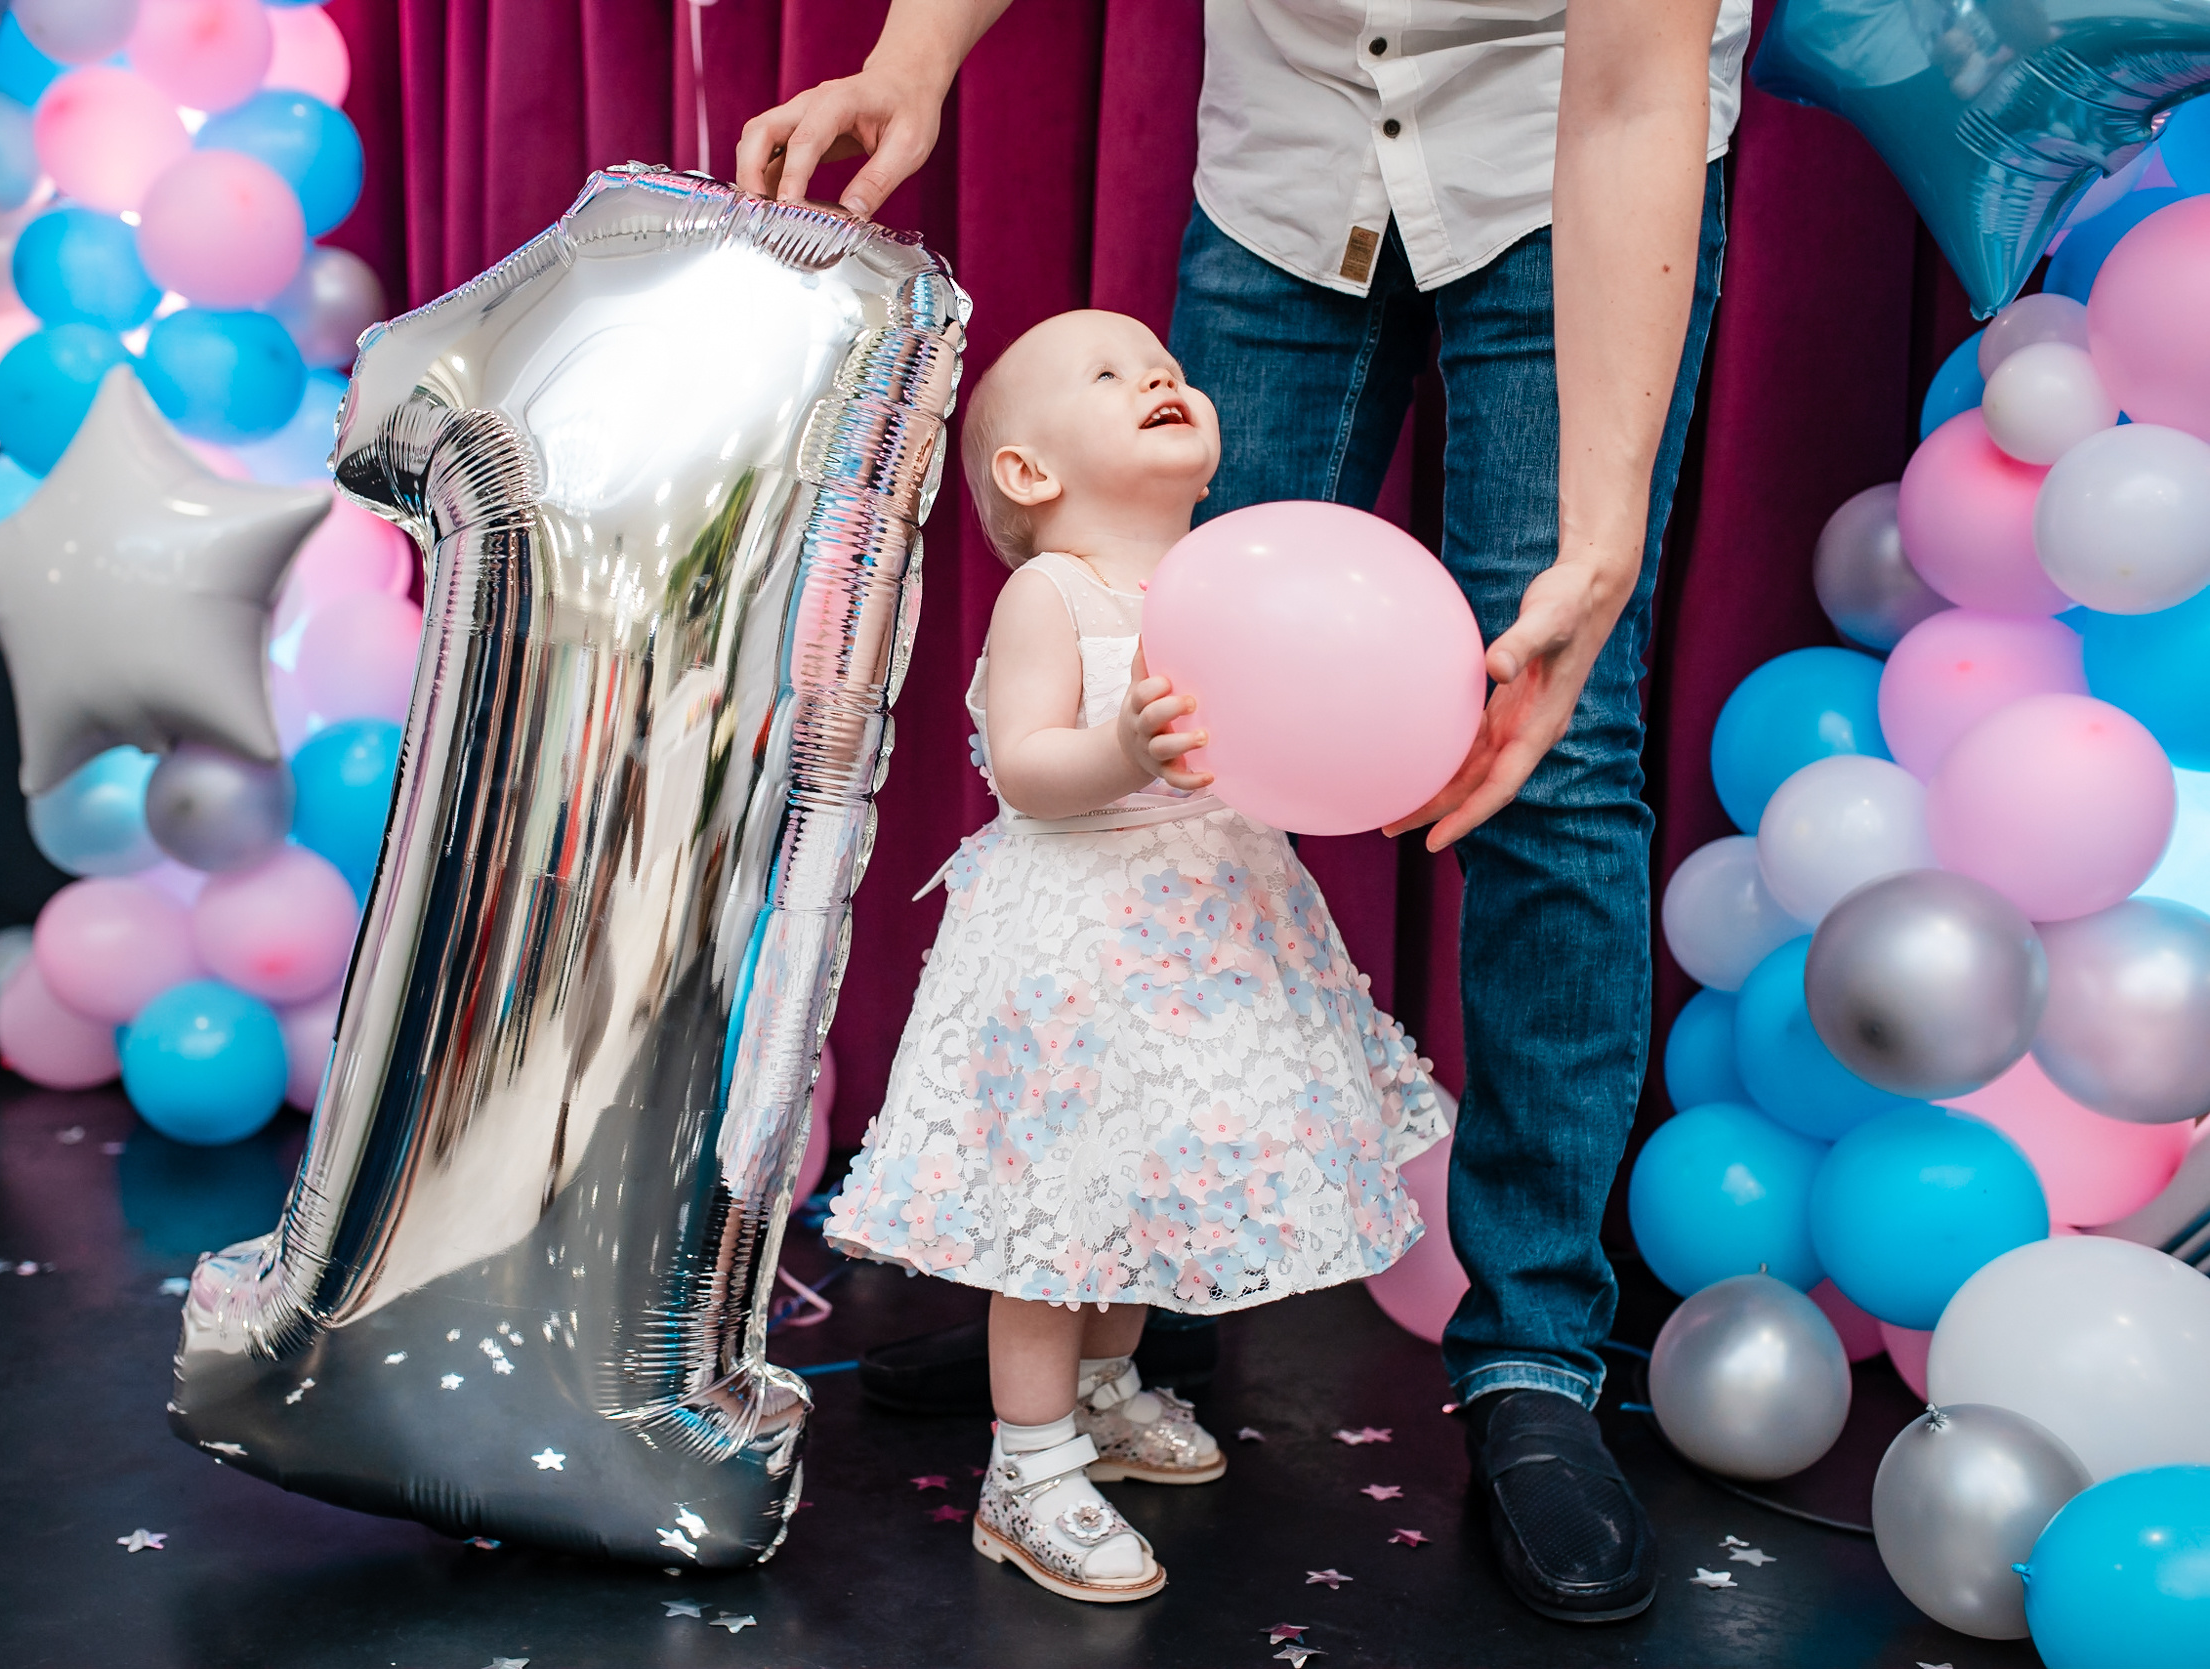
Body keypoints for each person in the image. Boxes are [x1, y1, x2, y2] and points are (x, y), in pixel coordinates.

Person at [745, 0, 1743, 1627]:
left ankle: (1535, 1361)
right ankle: (1107, 1316)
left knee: (1553, 758)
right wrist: (914, 59)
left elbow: (1634, 85)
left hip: (1567, 172)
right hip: (1293, 164)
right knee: (1196, 726)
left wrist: (1604, 531)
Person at [823, 307, 1448, 1604]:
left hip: (1212, 928)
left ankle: (1105, 1388)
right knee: (1064, 1209)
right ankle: (1029, 1467)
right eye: (1110, 376)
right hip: (1083, 944)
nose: (1158, 377)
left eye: (1165, 367)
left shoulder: (1227, 577)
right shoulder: (1054, 594)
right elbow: (1028, 765)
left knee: (1145, 1190)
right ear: (1029, 474)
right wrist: (1125, 753)